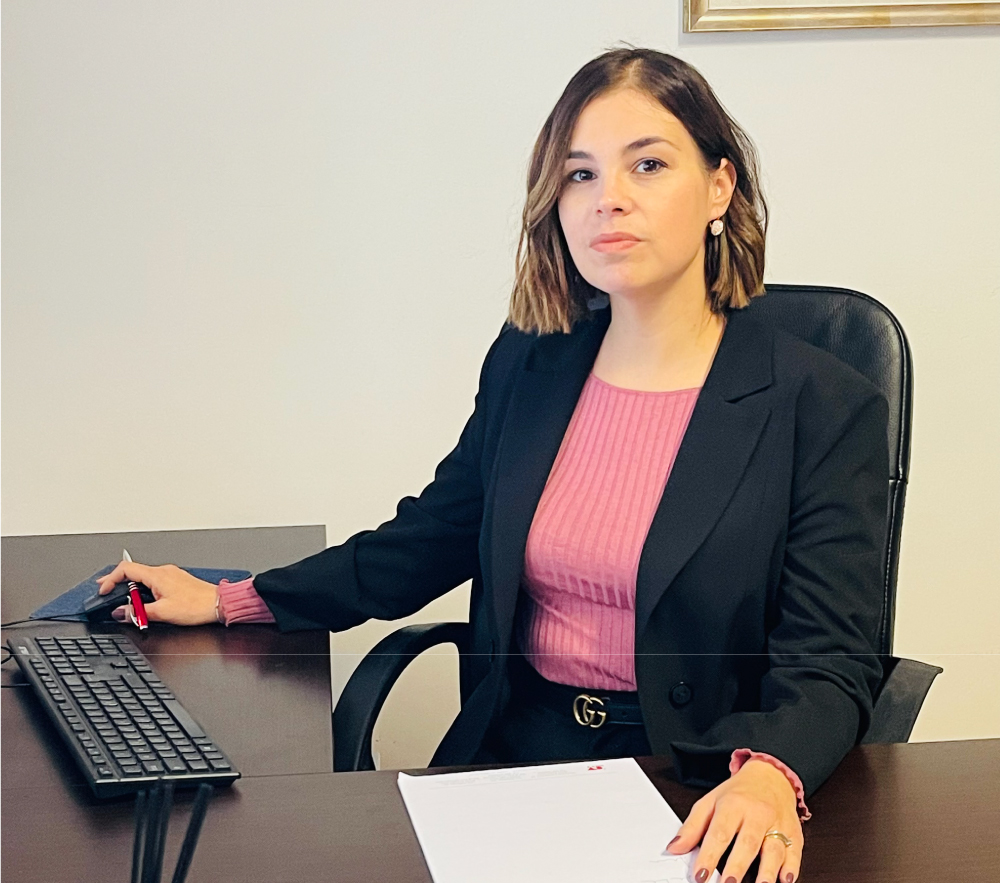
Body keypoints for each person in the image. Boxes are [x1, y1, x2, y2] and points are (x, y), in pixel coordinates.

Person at [98, 48, 888, 883]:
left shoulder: (822, 403)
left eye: (648, 165)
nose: (609, 198)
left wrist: (770, 773)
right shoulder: (531, 361)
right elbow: (431, 537)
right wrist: (234, 598)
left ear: (719, 187)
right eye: (580, 174)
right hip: (515, 755)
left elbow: (832, 656)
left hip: (696, 778)